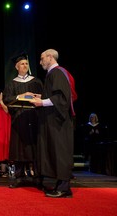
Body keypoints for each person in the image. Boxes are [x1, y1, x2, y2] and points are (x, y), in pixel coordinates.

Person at [30, 48, 74, 198]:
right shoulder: (53, 74)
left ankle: (64, 188)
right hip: (53, 121)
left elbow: (62, 98)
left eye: (42, 58)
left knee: (60, 153)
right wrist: (41, 96)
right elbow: (54, 95)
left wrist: (41, 102)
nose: (41, 61)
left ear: (50, 57)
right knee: (55, 152)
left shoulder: (58, 72)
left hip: (59, 123)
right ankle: (60, 185)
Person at [3, 52, 43, 187]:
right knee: (19, 147)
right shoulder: (12, 84)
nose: (25, 65)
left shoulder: (36, 81)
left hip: (34, 118)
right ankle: (19, 177)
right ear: (16, 67)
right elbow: (7, 99)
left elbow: (43, 97)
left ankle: (37, 177)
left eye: (26, 63)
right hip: (19, 119)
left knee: (34, 147)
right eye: (22, 64)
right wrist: (21, 95)